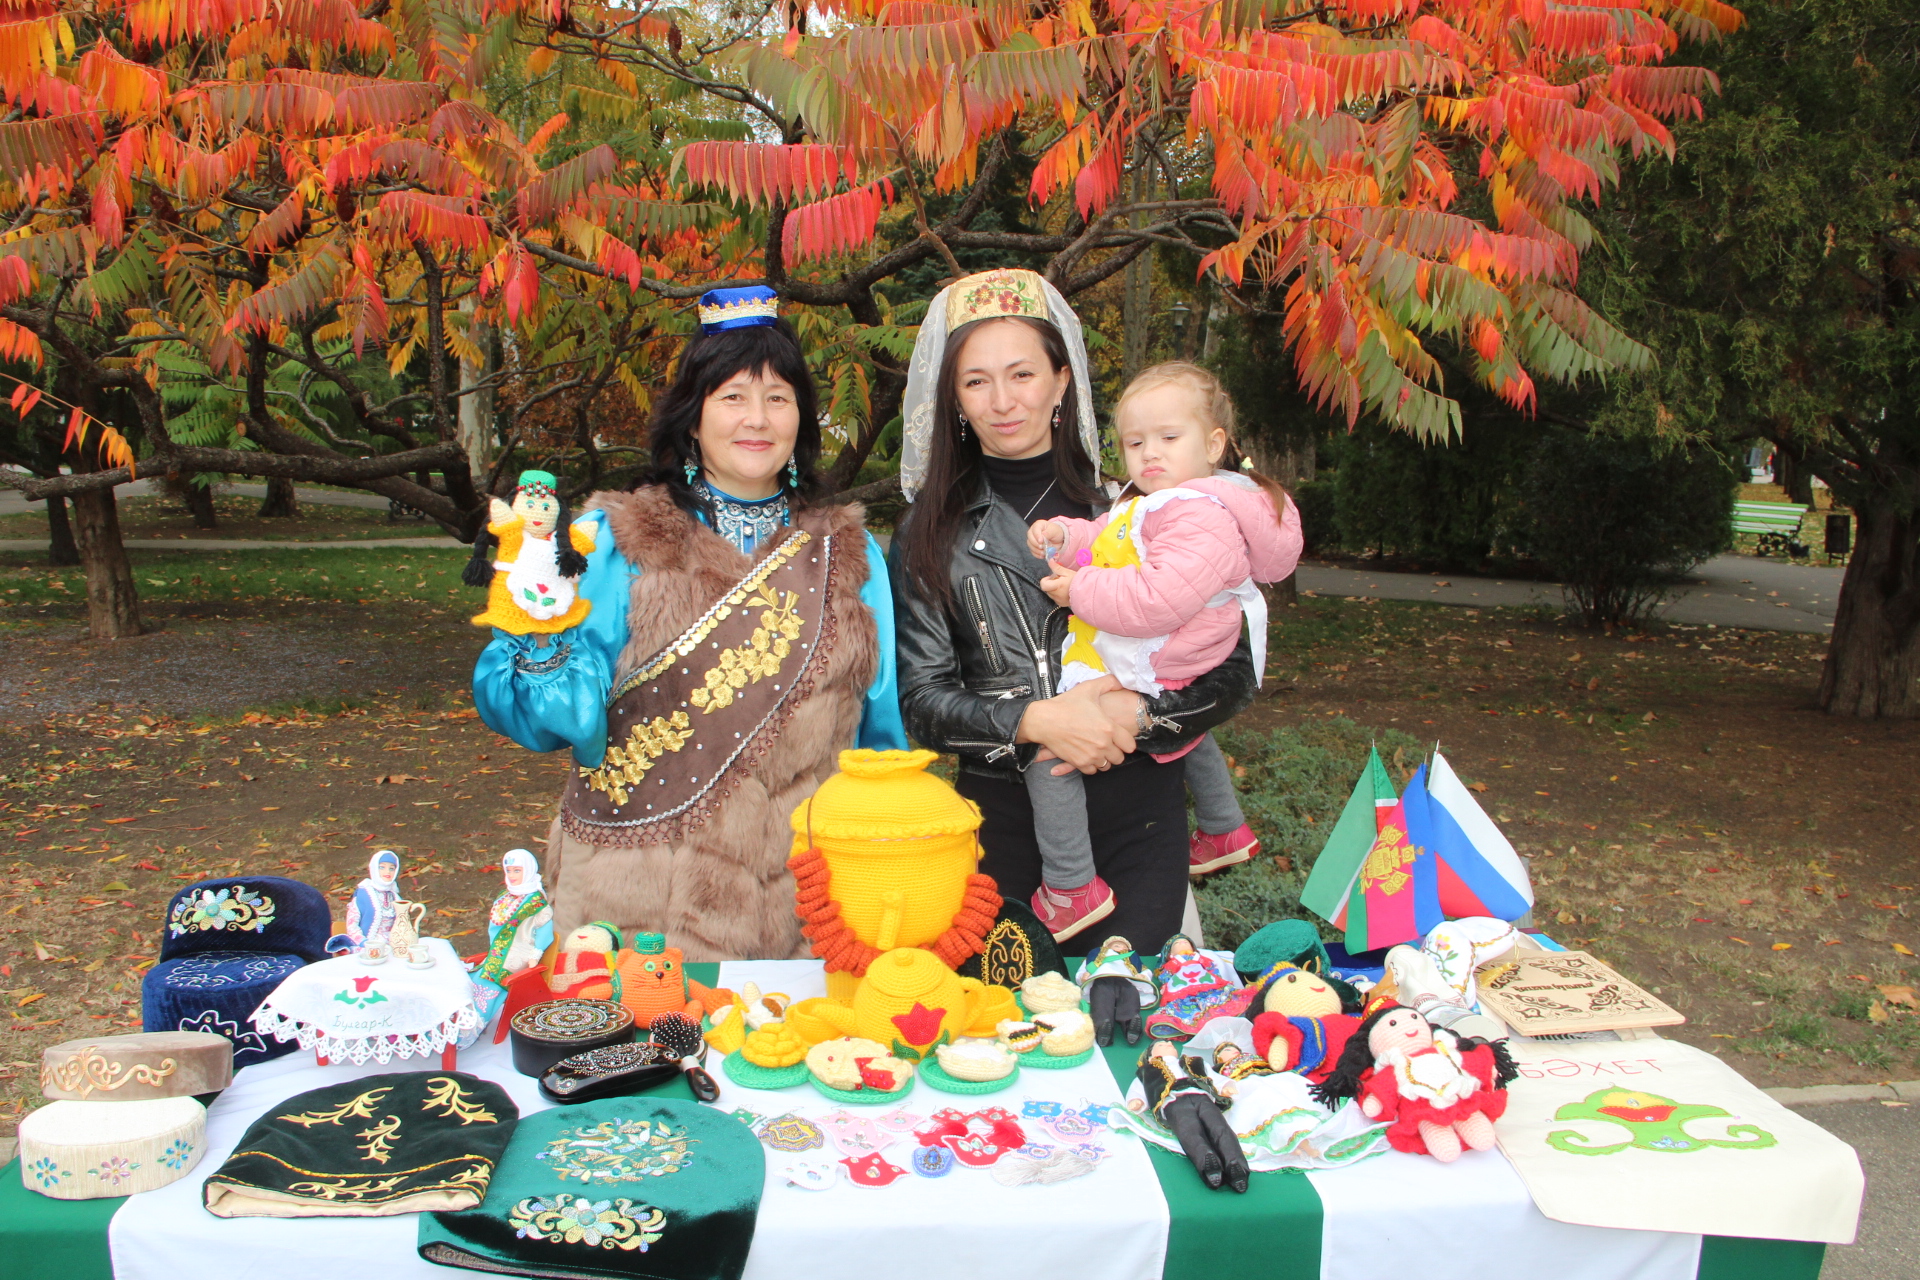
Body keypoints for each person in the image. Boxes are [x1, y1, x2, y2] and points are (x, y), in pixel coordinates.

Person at [473, 285, 907, 960]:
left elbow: (883, 743)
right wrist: (537, 632)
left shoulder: (848, 556)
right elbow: (555, 720)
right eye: (732, 396)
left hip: (802, 907)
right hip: (635, 903)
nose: (755, 418)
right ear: (693, 416)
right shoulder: (612, 540)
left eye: (777, 397)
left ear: (801, 418)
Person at [888, 268, 1256, 955]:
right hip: (1002, 823)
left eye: (1022, 374)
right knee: (1016, 1036)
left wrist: (1139, 717)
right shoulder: (927, 532)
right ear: (954, 400)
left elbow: (1232, 666)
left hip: (1140, 811)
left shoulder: (1138, 506)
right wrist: (1037, 719)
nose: (1002, 401)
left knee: (1135, 1025)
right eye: (975, 381)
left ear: (1062, 381)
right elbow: (922, 702)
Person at [1023, 361, 1302, 934]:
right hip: (1171, 651)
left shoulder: (1199, 514)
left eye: (1169, 438)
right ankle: (1224, 828)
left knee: (1048, 757)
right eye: (1134, 441)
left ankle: (1071, 887)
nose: (1150, 453)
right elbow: (1107, 540)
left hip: (1163, 648)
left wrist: (1080, 591)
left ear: (1215, 443)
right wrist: (1064, 535)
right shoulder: (1155, 501)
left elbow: (1156, 600)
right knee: (1192, 734)